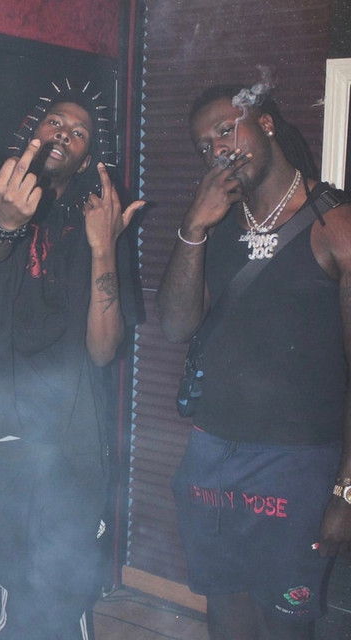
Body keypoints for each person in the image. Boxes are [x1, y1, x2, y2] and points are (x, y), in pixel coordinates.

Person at [0, 84, 145, 639]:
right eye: (56, 121)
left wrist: (105, 248)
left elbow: (104, 350)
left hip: (73, 438)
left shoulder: (98, 221)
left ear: (86, 159)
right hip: (1, 434)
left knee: (60, 595)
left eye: (79, 132)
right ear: (31, 131)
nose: (64, 134)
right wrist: (5, 220)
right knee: (0, 590)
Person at [157, 83, 351, 640]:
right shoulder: (216, 221)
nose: (217, 149)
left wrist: (345, 491)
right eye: (204, 145)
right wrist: (193, 227)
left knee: (283, 622)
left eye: (226, 129)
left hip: (297, 464)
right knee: (226, 611)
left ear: (265, 124)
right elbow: (175, 326)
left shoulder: (335, 225)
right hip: (212, 452)